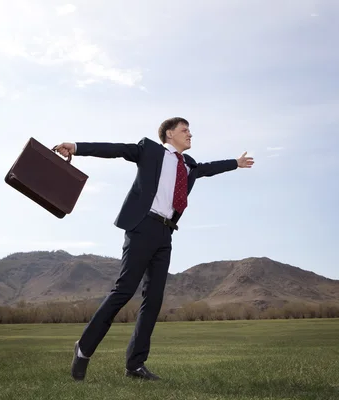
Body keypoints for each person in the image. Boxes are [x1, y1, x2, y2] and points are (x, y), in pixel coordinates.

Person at [54, 117, 254, 381]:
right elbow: (116, 149)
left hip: (165, 232)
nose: (190, 134)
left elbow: (207, 168)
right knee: (124, 291)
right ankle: (83, 349)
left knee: (154, 300)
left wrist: (235, 164)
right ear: (169, 134)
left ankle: (135, 365)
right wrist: (77, 147)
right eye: (185, 130)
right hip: (141, 226)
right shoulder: (150, 150)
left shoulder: (189, 165)